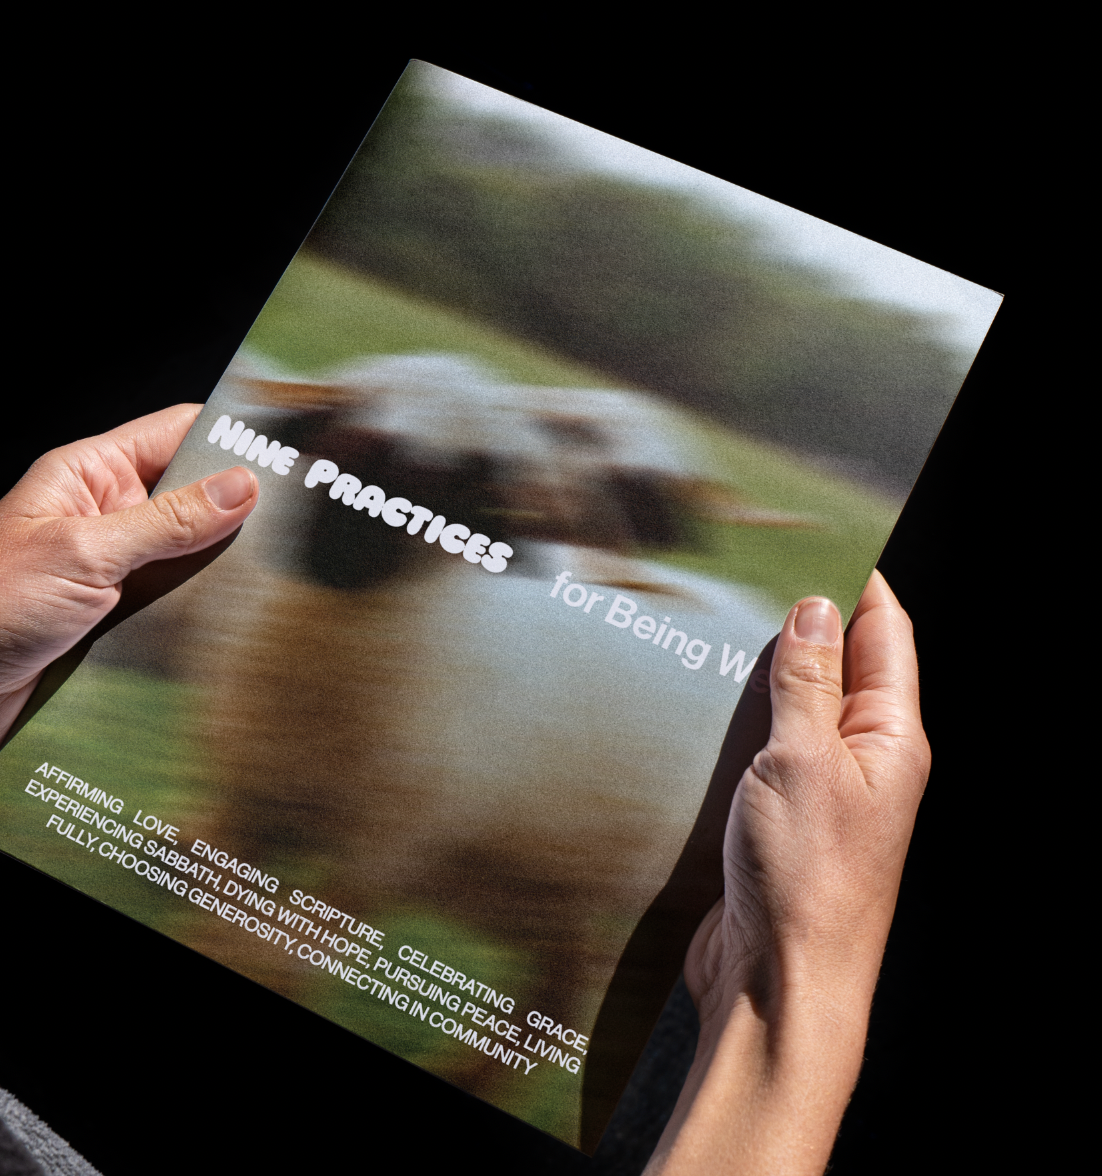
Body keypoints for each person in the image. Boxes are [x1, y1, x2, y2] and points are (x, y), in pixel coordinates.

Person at [0, 406, 930, 1175]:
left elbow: (383, 834)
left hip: (616, 792)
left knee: (551, 945)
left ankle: (489, 1068)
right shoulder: (302, 631)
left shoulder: (466, 644)